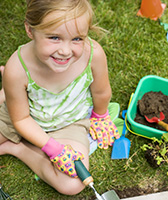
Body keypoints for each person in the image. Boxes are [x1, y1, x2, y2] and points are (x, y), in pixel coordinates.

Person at [0, 0, 120, 195]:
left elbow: (101, 91)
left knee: (72, 184)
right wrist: (52, 148)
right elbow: (20, 119)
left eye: (77, 39)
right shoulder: (17, 68)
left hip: (70, 123)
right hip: (23, 116)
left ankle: (17, 149)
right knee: (13, 91)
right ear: (30, 30)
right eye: (54, 37)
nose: (65, 51)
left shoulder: (93, 54)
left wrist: (100, 116)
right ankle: (9, 93)